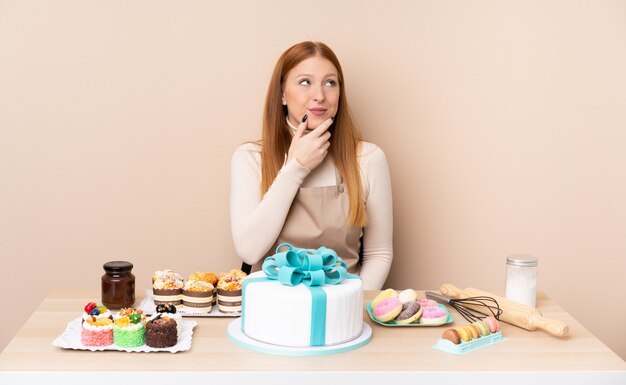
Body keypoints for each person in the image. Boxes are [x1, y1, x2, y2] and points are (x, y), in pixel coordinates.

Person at [230, 41, 392, 290]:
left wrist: (350, 307)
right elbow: (250, 252)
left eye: (330, 83)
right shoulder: (250, 157)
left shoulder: (369, 158)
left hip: (345, 313)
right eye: (305, 82)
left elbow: (379, 254)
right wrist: (296, 168)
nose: (320, 95)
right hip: (276, 311)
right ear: (282, 94)